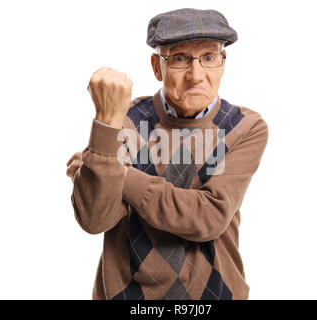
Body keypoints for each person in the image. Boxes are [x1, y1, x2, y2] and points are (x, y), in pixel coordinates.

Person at [66, 8, 269, 300]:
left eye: (209, 57)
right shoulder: (124, 120)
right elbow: (95, 218)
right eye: (180, 59)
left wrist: (114, 171)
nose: (195, 75)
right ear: (157, 67)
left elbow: (208, 217)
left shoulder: (244, 128)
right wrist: (105, 122)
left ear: (223, 64)